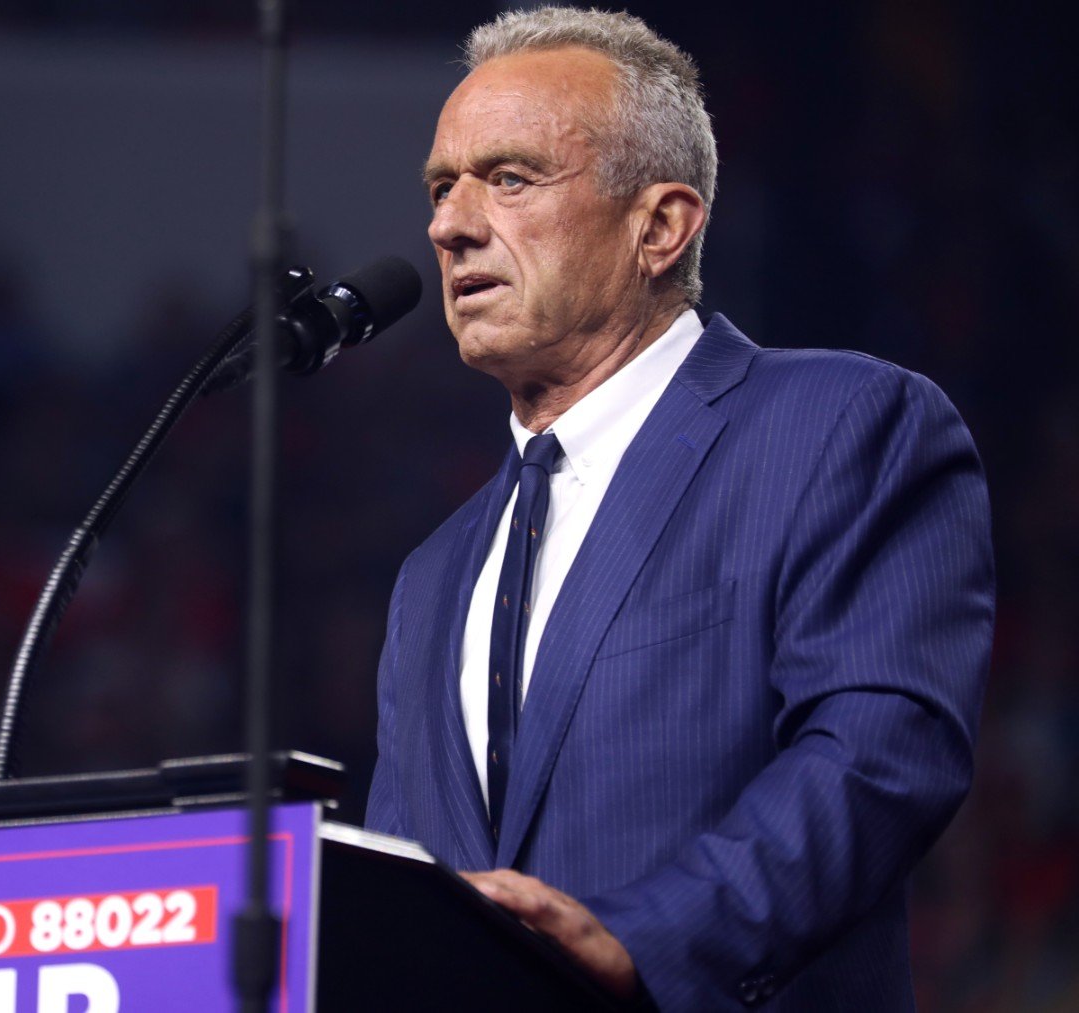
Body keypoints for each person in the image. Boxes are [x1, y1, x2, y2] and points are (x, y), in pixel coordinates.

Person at [364, 8, 993, 1010]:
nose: (450, 223)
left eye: (510, 178)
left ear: (659, 225)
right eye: (443, 187)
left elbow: (879, 755)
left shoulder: (841, 426)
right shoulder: (431, 576)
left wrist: (641, 937)